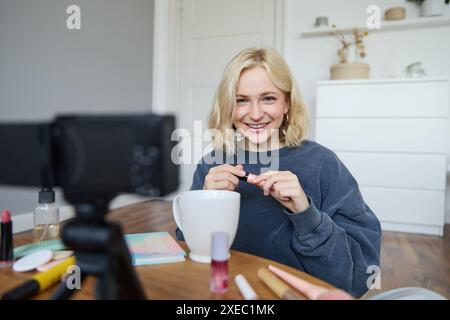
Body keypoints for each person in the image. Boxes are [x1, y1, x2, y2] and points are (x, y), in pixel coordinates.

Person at [176, 47, 381, 298]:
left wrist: (306, 212)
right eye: (241, 100)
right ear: (228, 106)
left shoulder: (323, 163)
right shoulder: (211, 165)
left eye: (269, 98)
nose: (255, 113)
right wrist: (204, 204)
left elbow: (355, 278)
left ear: (287, 103)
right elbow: (187, 253)